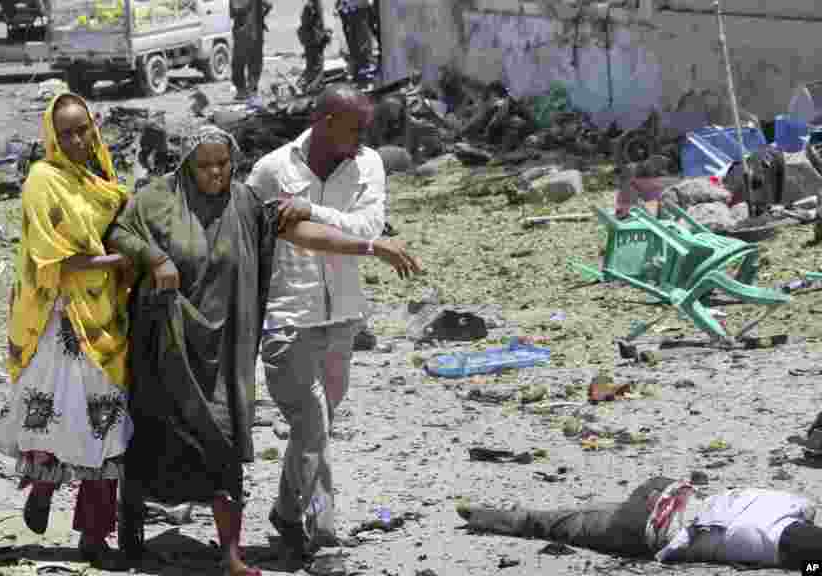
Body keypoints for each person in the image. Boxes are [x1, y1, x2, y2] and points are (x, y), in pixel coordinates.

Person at [107, 124, 420, 576]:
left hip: (227, 346)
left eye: (223, 163)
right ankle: (131, 536)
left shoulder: (246, 203)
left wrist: (371, 247)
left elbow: (306, 233)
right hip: (165, 344)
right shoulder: (157, 198)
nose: (215, 173)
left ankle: (230, 554)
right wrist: (156, 258)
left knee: (224, 436)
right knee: (155, 432)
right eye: (205, 165)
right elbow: (120, 232)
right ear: (185, 164)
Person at [245, 83, 385, 563]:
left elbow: (369, 228)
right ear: (327, 123)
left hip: (342, 315)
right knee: (314, 425)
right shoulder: (271, 170)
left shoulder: (369, 164)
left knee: (314, 432)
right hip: (287, 317)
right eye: (357, 128)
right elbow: (252, 237)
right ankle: (322, 528)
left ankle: (286, 513)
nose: (365, 137)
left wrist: (312, 209)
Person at [0, 92, 133, 570]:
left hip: (104, 315)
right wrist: (117, 260)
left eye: (83, 129)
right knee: (57, 410)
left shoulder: (99, 179)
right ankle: (44, 485)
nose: (77, 139)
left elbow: (121, 224)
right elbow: (51, 255)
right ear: (52, 137)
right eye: (67, 132)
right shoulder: (41, 180)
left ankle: (93, 536)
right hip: (58, 318)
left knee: (103, 421)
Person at [458, 476, 822, 570]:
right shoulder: (766, 542)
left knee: (581, 517)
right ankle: (496, 517)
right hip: (649, 527)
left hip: (668, 495)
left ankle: (491, 514)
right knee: (565, 524)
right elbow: (810, 563)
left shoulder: (790, 506)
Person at [230, 0, 271, 101]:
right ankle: (244, 90)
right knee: (242, 62)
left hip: (251, 32)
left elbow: (269, 5)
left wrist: (261, 16)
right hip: (247, 32)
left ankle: (249, 90)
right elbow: (235, 10)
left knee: (252, 62)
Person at [335, 0, 376, 85]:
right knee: (355, 46)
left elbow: (367, 5)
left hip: (359, 14)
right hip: (351, 17)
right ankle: (359, 72)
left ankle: (364, 72)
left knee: (362, 45)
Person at [297, 0, 331, 91]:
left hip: (313, 40)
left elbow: (314, 24)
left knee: (315, 65)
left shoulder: (312, 6)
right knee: (315, 65)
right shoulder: (311, 7)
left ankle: (311, 85)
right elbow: (309, 24)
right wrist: (323, 35)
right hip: (313, 41)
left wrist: (324, 34)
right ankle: (311, 86)